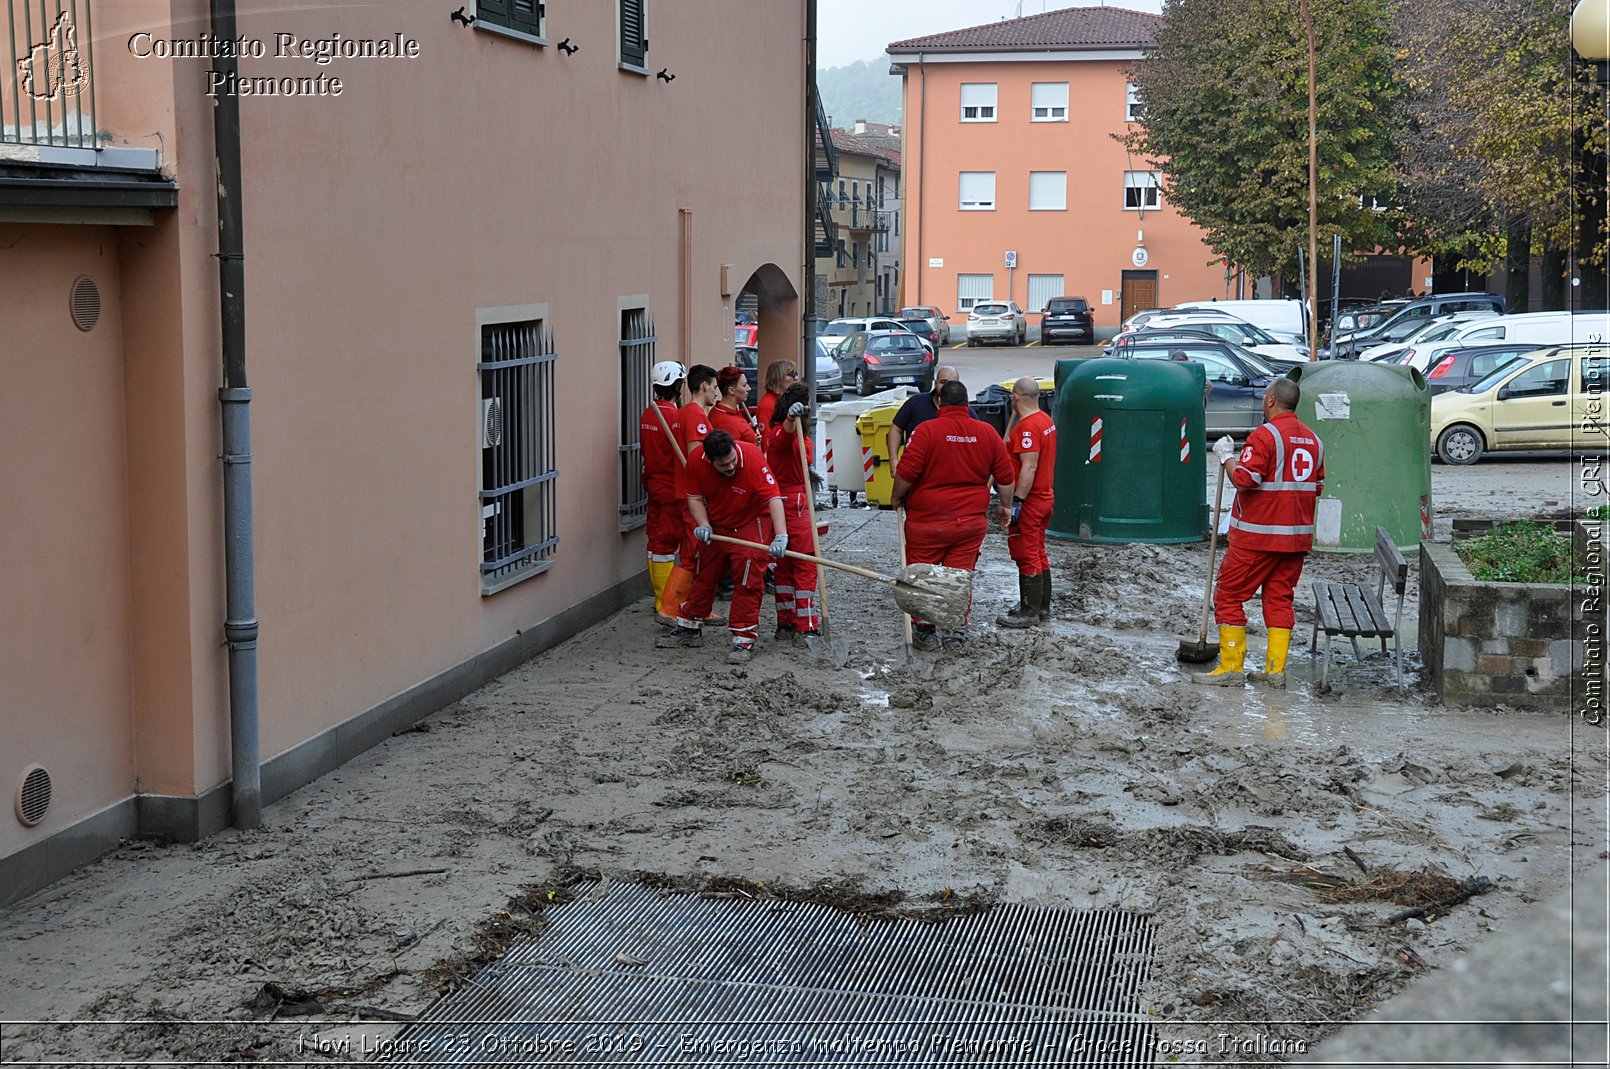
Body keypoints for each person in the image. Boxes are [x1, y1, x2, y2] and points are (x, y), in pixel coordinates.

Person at [1193, 378, 1325, 688]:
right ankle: (1275, 671)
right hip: (1295, 540)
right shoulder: (1316, 441)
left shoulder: (1265, 437)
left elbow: (1244, 479)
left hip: (1258, 538)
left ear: (1270, 401)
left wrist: (1226, 457)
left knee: (1227, 596)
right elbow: (1316, 487)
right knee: (1279, 599)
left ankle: (1231, 666)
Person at [891, 379, 1015, 651]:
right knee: (959, 574)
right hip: (969, 523)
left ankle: (924, 629)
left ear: (940, 403)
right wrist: (1006, 506)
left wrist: (896, 498)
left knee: (924, 573)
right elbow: (1006, 477)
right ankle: (954, 629)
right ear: (966, 403)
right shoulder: (987, 432)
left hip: (928, 521)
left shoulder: (926, 431)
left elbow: (906, 473)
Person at [656, 429, 789, 664]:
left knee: (748, 578)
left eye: (732, 462)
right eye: (724, 465)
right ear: (710, 460)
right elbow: (695, 498)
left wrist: (780, 536)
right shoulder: (696, 463)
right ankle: (689, 627)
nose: (730, 468)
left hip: (752, 521)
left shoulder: (752, 457)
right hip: (718, 523)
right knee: (704, 573)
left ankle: (743, 638)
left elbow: (773, 498)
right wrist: (704, 524)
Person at [658, 364, 721, 624]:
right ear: (704, 385)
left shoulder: (684, 413)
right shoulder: (695, 415)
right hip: (692, 494)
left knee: (694, 551)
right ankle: (671, 609)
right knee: (692, 551)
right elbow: (697, 458)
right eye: (715, 387)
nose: (716, 393)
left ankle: (694, 606)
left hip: (685, 491)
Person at [996, 377, 1057, 628]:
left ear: (1016, 397)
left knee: (1027, 553)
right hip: (1045, 497)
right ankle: (1040, 607)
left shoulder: (1028, 428)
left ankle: (1029, 611)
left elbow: (1028, 468)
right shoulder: (1046, 421)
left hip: (1032, 500)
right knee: (1038, 551)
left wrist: (1017, 501)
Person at [764, 383, 821, 643]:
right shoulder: (782, 434)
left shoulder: (776, 434)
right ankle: (805, 624)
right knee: (805, 564)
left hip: (781, 502)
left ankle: (785, 623)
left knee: (784, 566)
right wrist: (791, 419)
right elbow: (785, 437)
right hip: (794, 505)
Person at [640, 361, 686, 617]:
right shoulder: (672, 416)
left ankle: (661, 600)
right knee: (665, 545)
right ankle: (665, 604)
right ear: (677, 385)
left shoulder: (650, 412)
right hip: (669, 487)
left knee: (655, 539)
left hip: (653, 483)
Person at [886, 365, 960, 462]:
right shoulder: (915, 403)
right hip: (915, 471)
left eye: (952, 384)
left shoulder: (966, 412)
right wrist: (893, 459)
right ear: (935, 383)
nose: (946, 387)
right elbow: (896, 429)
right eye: (943, 382)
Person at [711, 366, 762, 447]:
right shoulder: (726, 422)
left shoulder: (728, 411)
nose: (749, 388)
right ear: (731, 390)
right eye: (744, 385)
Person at [756, 359, 798, 429]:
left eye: (795, 374)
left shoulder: (784, 399)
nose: (796, 378)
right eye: (791, 374)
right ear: (778, 378)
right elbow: (767, 437)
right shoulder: (767, 405)